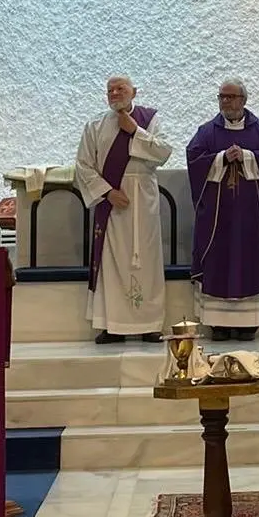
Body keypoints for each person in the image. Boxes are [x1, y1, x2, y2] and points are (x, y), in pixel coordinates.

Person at [74, 75, 173, 343]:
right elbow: (83, 165)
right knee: (111, 260)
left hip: (143, 200)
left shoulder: (150, 119)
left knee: (147, 261)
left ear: (134, 92)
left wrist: (134, 131)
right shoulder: (95, 125)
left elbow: (164, 152)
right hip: (112, 203)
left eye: (121, 88)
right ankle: (112, 325)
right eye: (110, 90)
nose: (115, 93)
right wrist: (107, 192)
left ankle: (150, 324)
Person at [185, 78, 259, 341]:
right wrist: (221, 158)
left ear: (244, 100)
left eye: (231, 97)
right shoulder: (207, 131)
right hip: (217, 219)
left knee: (250, 259)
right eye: (222, 97)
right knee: (217, 260)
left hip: (251, 216)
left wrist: (247, 156)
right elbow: (194, 158)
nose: (226, 102)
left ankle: (248, 324)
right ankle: (217, 323)